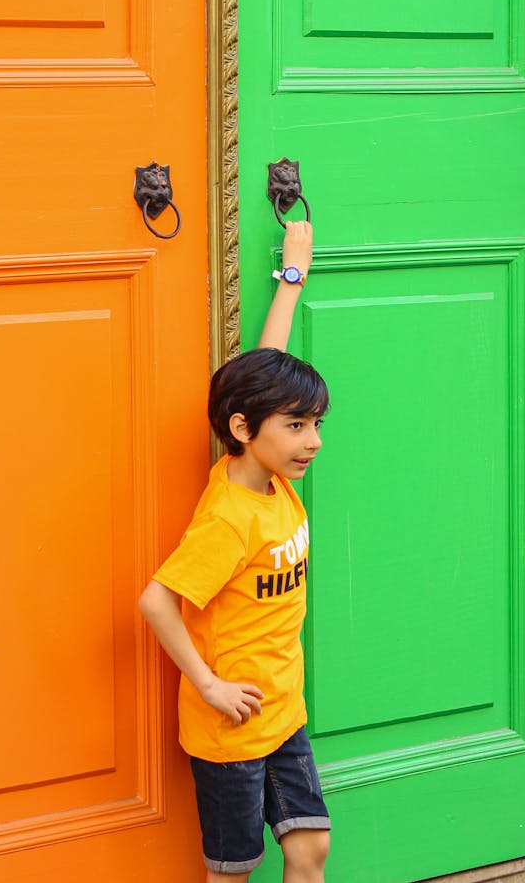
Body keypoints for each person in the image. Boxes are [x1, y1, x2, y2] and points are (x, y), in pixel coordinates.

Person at [139, 221, 331, 883]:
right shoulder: (228, 514)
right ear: (244, 430)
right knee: (234, 869)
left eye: (315, 424)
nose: (313, 441)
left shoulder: (268, 471)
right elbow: (156, 600)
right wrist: (209, 684)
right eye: (298, 426)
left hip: (284, 712)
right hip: (230, 733)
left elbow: (265, 369)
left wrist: (293, 275)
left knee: (310, 850)